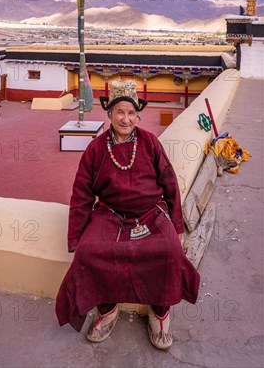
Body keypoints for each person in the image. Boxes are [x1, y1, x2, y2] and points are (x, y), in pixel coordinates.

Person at [55, 80, 200, 350]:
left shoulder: (150, 142)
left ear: (137, 116)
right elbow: (82, 196)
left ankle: (160, 312)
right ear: (109, 114)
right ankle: (108, 309)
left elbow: (169, 184)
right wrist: (76, 237)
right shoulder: (96, 149)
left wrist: (177, 227)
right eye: (120, 112)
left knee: (169, 251)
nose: (126, 118)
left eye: (131, 113)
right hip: (109, 215)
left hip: (150, 215)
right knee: (90, 252)